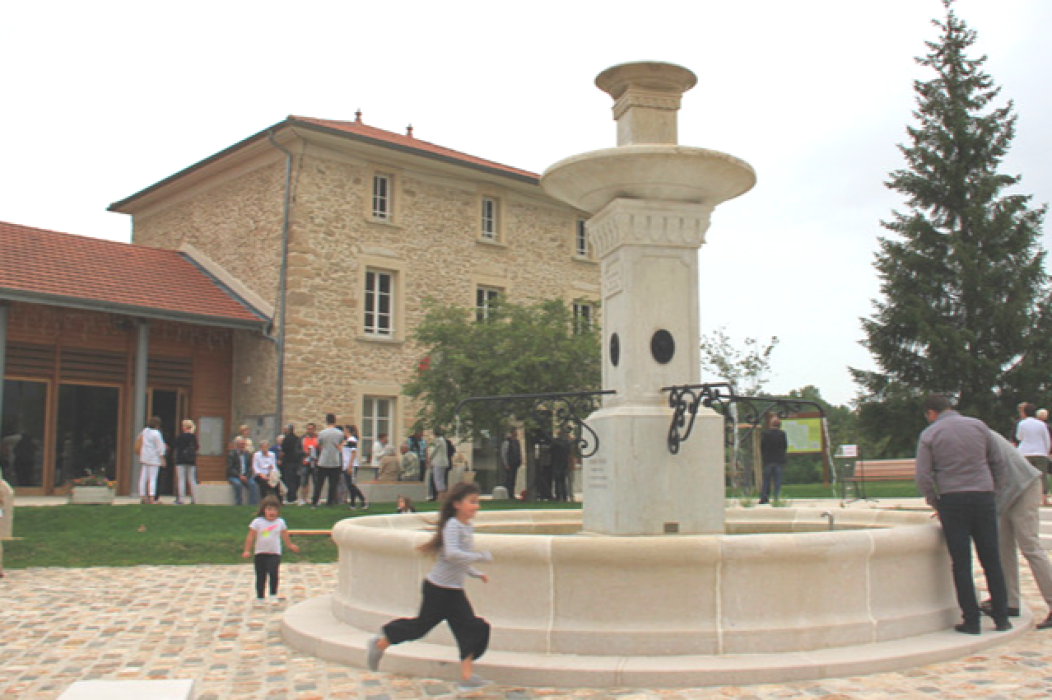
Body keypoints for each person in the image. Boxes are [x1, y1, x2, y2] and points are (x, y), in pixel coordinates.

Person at [365, 482, 492, 692]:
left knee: (470, 627)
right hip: (439, 590)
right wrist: (481, 557)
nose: (476, 506)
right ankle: (380, 642)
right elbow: (451, 554)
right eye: (472, 502)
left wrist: (476, 573)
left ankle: (467, 677)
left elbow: (457, 560)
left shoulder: (467, 527)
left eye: (477, 502)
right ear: (457, 504)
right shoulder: (453, 525)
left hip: (453, 590)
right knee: (420, 627)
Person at [915, 394, 1011, 634]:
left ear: (931, 412)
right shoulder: (978, 425)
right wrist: (994, 490)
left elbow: (923, 474)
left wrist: (934, 501)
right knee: (991, 558)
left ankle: (972, 620)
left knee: (961, 562)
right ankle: (1001, 617)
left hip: (953, 497)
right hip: (983, 495)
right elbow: (998, 461)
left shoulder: (930, 434)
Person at [987, 431, 1052, 629]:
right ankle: (1009, 602)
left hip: (1024, 487)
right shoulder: (974, 433)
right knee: (1002, 547)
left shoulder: (974, 436)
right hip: (1004, 494)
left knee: (1030, 547)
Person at [242, 495, 300, 605]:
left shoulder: (280, 522)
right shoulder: (257, 522)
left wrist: (290, 545)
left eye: (274, 509)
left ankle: (273, 594)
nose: (272, 512)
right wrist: (247, 550)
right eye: (269, 509)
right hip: (260, 553)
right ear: (264, 510)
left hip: (274, 553)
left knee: (273, 573)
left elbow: (285, 535)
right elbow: (250, 536)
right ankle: (260, 597)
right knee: (260, 575)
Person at [1016, 402, 1051, 507]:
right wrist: (1046, 451)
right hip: (1040, 452)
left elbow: (1019, 437)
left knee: (1025, 475)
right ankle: (1044, 497)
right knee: (1042, 475)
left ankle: (1024, 497)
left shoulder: (1022, 423)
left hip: (1025, 452)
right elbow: (1047, 439)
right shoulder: (1042, 424)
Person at [313, 414, 344, 507]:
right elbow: (340, 443)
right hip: (335, 460)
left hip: (324, 460)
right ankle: (330, 501)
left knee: (319, 483)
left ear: (326, 421)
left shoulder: (322, 433)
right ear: (335, 421)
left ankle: (315, 501)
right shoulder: (339, 433)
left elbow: (319, 444)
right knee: (333, 483)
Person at [758, 416, 788, 505]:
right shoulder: (782, 434)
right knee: (777, 480)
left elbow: (762, 446)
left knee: (766, 480)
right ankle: (776, 497)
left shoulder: (766, 434)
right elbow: (784, 446)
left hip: (768, 460)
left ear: (771, 424)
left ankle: (764, 497)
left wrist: (764, 455)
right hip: (778, 460)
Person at [138, 417, 166, 505]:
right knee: (153, 478)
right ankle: (151, 498)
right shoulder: (156, 434)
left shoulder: (145, 431)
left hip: (145, 456)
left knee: (143, 477)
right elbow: (160, 447)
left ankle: (143, 496)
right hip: (154, 458)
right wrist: (162, 459)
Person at [173, 419, 199, 505]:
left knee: (181, 479)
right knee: (192, 479)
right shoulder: (193, 436)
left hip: (181, 460)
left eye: (183, 426)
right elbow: (197, 447)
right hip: (191, 460)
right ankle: (195, 498)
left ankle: (181, 499)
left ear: (185, 427)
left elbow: (174, 445)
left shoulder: (181, 436)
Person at [342, 425, 368, 510]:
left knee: (352, 485)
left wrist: (350, 466)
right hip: (346, 465)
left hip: (351, 465)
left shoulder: (352, 440)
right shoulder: (347, 441)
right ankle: (352, 504)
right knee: (349, 485)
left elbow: (353, 453)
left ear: (347, 431)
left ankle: (363, 500)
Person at [227, 437, 257, 505]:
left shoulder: (247, 454)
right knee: (238, 484)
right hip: (235, 476)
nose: (242, 446)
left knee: (253, 484)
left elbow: (250, 467)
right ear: (237, 445)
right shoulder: (232, 454)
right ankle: (239, 503)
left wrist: (246, 476)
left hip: (246, 476)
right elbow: (230, 468)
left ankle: (253, 504)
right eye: (241, 444)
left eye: (243, 444)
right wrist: (239, 476)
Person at [279, 425, 303, 505]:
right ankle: (294, 496)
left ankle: (290, 498)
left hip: (288, 462)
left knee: (289, 481)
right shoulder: (297, 439)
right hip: (296, 463)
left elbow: (283, 451)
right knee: (296, 480)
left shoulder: (286, 439)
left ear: (288, 430)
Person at [428, 428, 451, 501]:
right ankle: (443, 496)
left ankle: (440, 497)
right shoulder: (443, 440)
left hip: (438, 463)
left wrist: (430, 457)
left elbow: (434, 450)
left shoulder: (438, 440)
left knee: (438, 479)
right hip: (444, 462)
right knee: (441, 480)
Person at [550, 428, 572, 502]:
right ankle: (564, 496)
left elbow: (551, 451)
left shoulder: (556, 442)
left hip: (557, 462)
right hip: (564, 463)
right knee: (563, 480)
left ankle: (559, 496)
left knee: (558, 480)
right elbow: (568, 452)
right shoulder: (567, 442)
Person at [299, 423, 319, 506]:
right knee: (304, 482)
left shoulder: (317, 438)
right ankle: (304, 498)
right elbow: (297, 450)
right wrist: (304, 453)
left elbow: (320, 449)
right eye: (308, 429)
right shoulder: (302, 439)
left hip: (315, 462)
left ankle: (315, 499)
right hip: (305, 462)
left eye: (311, 429)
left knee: (316, 481)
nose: (309, 431)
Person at [500, 427, 523, 499]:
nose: (517, 433)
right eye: (515, 431)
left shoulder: (517, 441)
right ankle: (508, 494)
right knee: (509, 480)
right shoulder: (507, 442)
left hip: (515, 464)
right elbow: (504, 453)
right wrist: (506, 464)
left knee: (513, 480)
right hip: (509, 464)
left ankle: (512, 494)